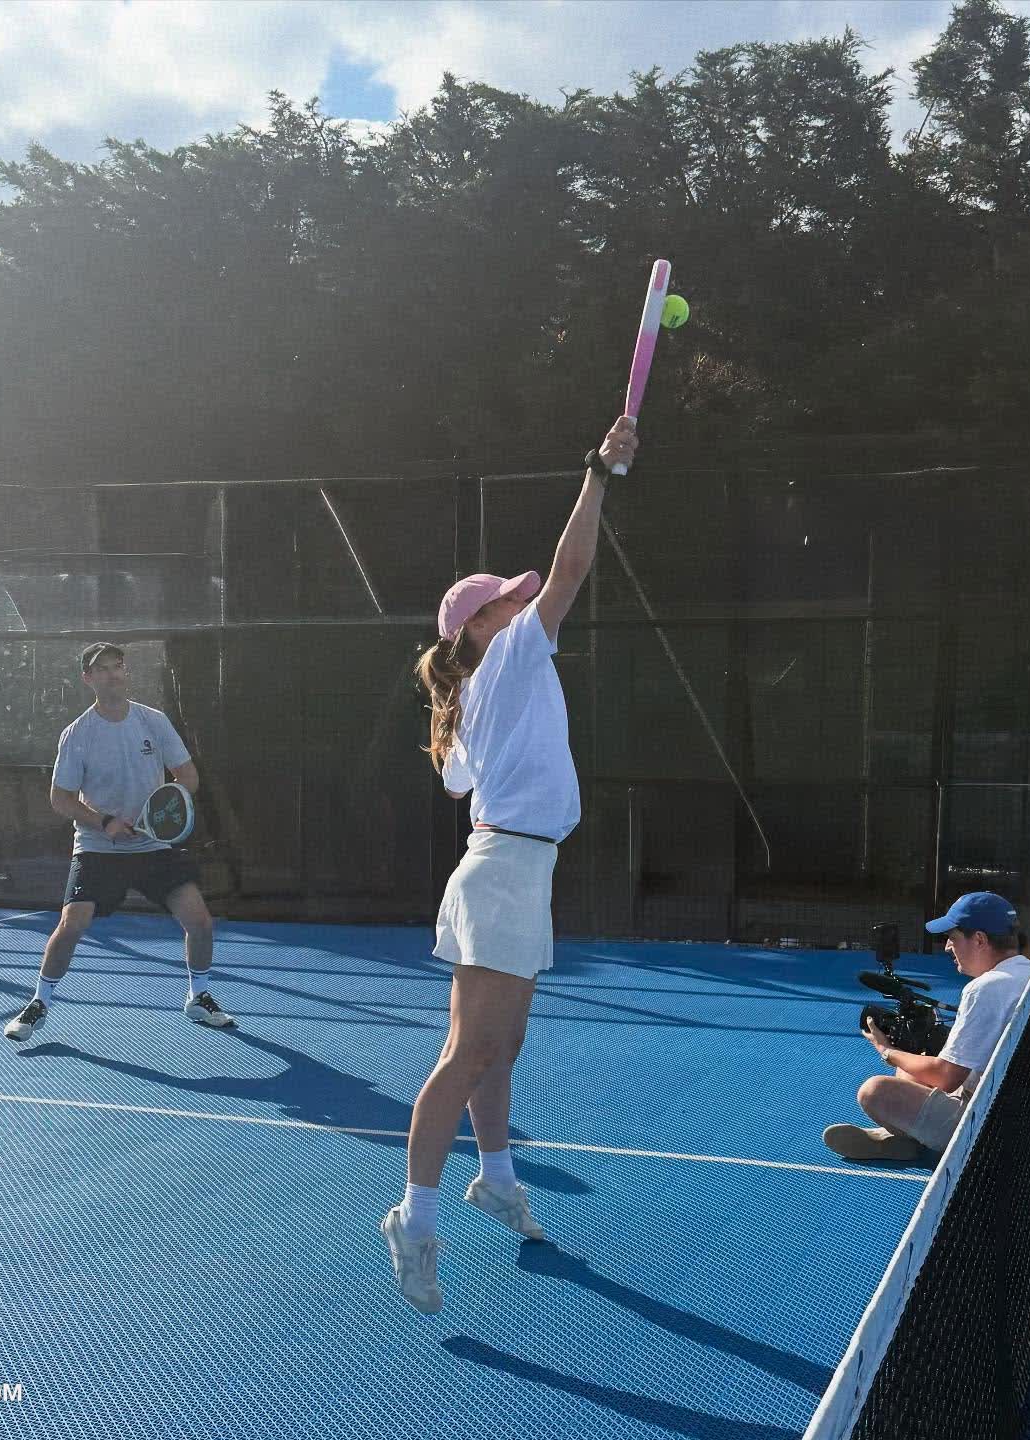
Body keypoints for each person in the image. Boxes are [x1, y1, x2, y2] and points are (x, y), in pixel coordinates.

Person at [379, 416, 639, 1314]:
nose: (523, 604)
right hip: (501, 875)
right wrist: (598, 472)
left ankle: (494, 1177)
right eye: (505, 601)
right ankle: (413, 1218)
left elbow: (458, 777)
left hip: (513, 871)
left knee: (502, 1048)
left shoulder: (484, 686)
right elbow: (571, 569)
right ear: (480, 627)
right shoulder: (511, 657)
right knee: (469, 1053)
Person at [3, 642, 235, 1041]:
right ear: (88, 678)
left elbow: (187, 777)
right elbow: (60, 798)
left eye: (117, 666)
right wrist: (104, 822)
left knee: (199, 922)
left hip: (153, 847)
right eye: (102, 669)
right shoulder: (78, 734)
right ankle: (39, 1002)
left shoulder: (153, 721)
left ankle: (198, 996)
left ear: (125, 672)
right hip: (98, 848)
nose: (112, 674)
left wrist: (159, 817)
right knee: (71, 926)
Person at [823, 892, 1030, 1162]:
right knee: (910, 1068)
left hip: (992, 1126)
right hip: (1027, 1110)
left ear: (979, 939)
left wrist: (886, 1050)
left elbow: (947, 1077)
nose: (947, 947)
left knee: (874, 1092)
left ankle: (904, 1137)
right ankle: (903, 1138)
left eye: (953, 937)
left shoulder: (986, 988)